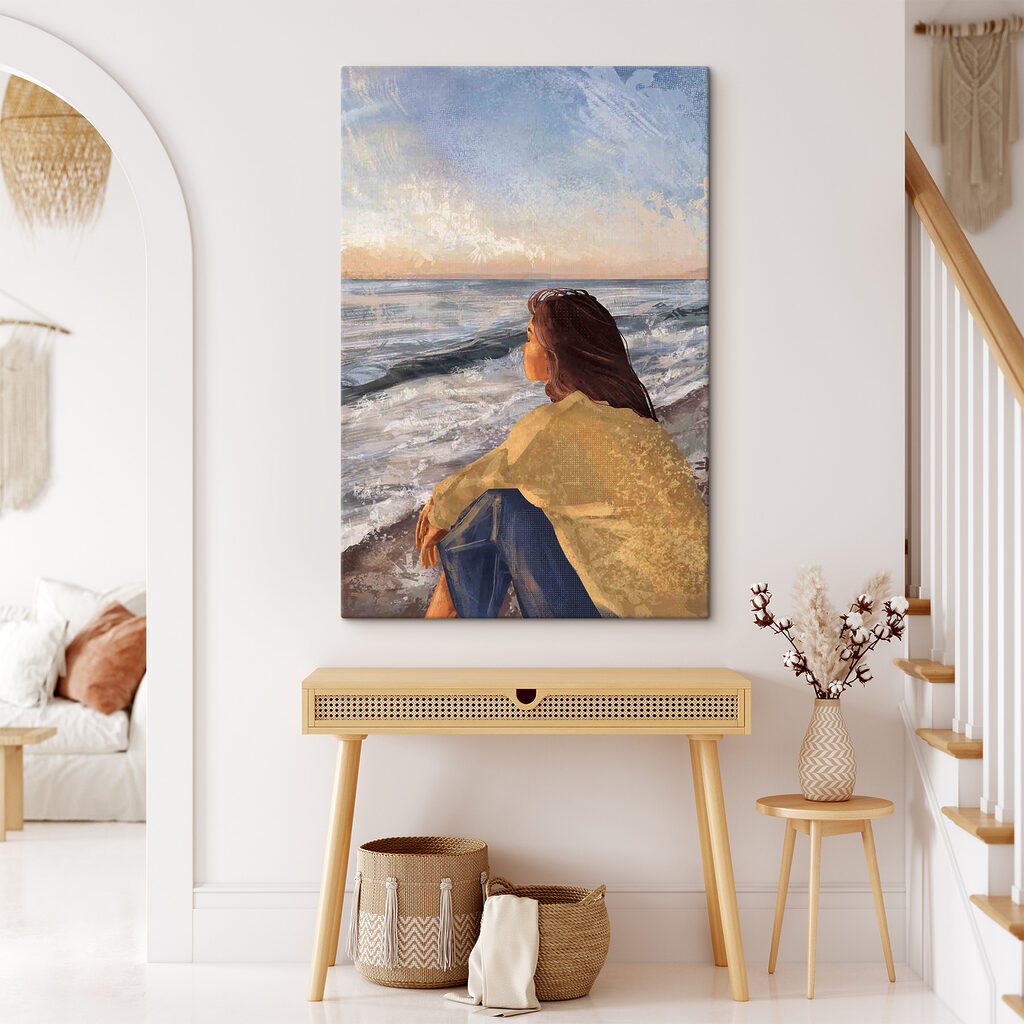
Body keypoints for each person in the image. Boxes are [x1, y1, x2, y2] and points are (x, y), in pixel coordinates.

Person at [415, 288, 708, 618]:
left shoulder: (554, 427)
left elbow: (490, 475)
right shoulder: (645, 429)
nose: (523, 349)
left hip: (620, 636)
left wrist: (439, 512)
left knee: (500, 508)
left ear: (556, 351)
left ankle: (434, 641)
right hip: (696, 620)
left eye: (529, 338)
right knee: (516, 504)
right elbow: (499, 468)